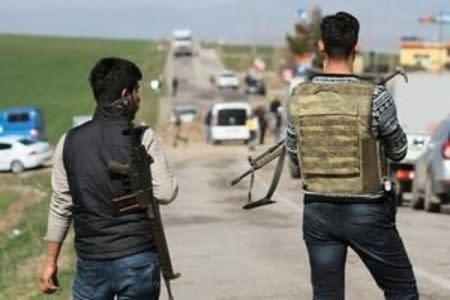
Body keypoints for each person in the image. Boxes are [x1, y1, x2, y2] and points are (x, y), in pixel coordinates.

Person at [285, 12, 418, 300]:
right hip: (366, 210)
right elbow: (399, 150)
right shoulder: (376, 96)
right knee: (402, 290)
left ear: (321, 46)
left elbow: (294, 154)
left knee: (327, 295)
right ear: (355, 45)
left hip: (318, 210)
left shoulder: (299, 97)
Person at [39, 57, 178, 300]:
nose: (139, 98)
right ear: (126, 94)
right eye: (137, 91)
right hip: (138, 259)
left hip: (91, 263)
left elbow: (61, 204)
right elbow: (166, 193)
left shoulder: (68, 141)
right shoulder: (142, 138)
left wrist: (51, 261)